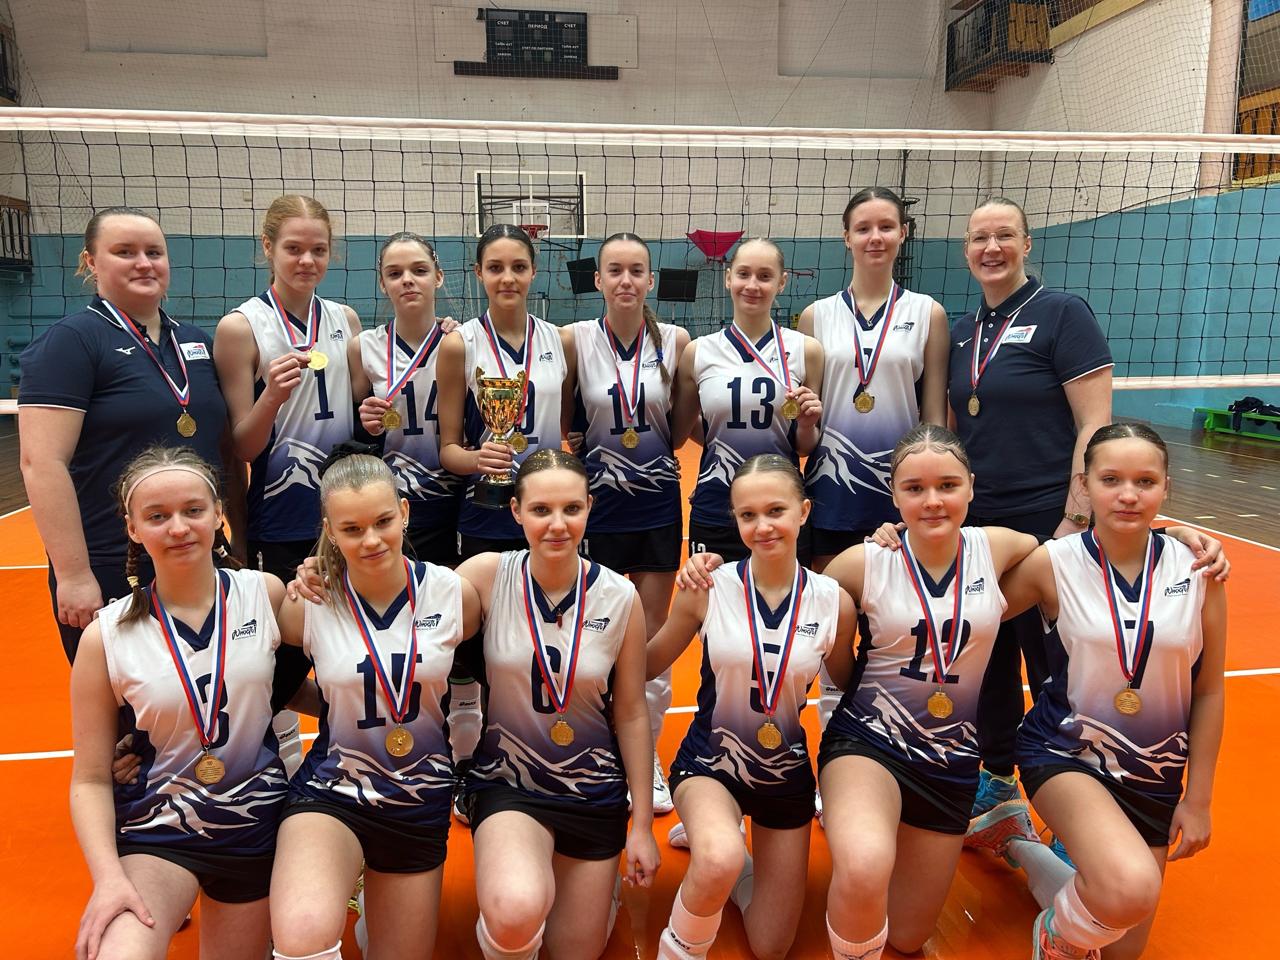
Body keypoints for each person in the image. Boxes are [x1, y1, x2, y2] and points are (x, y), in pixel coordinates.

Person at [965, 423, 1226, 960]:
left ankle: (1012, 839)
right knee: (1127, 888)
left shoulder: (1200, 570)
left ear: (1166, 487)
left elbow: (1208, 691)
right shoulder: (1054, 563)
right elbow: (964, 613)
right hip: (1065, 753)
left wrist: (1198, 800)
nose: (1128, 494)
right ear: (1083, 486)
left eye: (1145, 481)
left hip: (1155, 772)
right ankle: (1054, 936)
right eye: (1111, 480)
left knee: (1120, 944)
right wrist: (900, 543)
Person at [814, 425, 1039, 960]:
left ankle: (997, 835)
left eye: (948, 485)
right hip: (868, 743)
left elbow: (1081, 555)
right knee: (864, 866)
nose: (932, 500)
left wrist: (1179, 541)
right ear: (894, 496)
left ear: (971, 487)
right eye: (914, 488)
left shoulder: (1000, 546)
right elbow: (806, 621)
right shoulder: (862, 562)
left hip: (951, 761)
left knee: (908, 936)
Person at [69, 447, 287, 960]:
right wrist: (108, 878)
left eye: (193, 510)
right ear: (133, 529)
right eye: (157, 516)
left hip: (256, 826)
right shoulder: (106, 636)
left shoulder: (266, 595)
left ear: (218, 514)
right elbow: (90, 778)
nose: (179, 528)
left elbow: (333, 669)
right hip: (158, 831)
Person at [270, 449, 481, 960]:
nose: (370, 540)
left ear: (404, 512)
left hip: (418, 798)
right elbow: (269, 691)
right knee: (302, 933)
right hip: (334, 790)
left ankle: (371, 896)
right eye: (351, 528)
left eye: (383, 522)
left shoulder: (454, 595)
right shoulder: (308, 604)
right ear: (329, 530)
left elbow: (494, 677)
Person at [647, 454, 857, 960]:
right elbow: (648, 663)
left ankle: (725, 848)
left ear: (803, 511)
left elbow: (850, 690)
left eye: (775, 511)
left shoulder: (834, 602)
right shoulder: (707, 588)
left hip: (784, 775)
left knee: (771, 946)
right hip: (709, 766)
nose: (762, 526)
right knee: (716, 859)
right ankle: (682, 937)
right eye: (748, 515)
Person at [457, 450, 659, 960]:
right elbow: (405, 599)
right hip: (509, 781)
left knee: (575, 951)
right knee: (516, 910)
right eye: (541, 510)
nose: (557, 524)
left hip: (593, 789)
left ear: (589, 507)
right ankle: (515, 896)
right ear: (516, 512)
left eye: (571, 508)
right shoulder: (486, 575)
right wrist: (325, 572)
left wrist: (641, 826)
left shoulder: (620, 596)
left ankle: (588, 889)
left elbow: (631, 712)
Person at [948, 196, 1114, 818]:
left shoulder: (1062, 313)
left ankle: (1078, 802)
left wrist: (1075, 519)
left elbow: (1094, 425)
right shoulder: (963, 331)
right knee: (987, 657)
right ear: (966, 250)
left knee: (1058, 665)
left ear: (1026, 244)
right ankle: (997, 778)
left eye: (1004, 236)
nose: (991, 248)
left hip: (1049, 516)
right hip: (981, 526)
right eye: (979, 238)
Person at [19, 208, 228, 663]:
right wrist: (74, 574)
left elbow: (222, 450)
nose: (144, 263)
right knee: (121, 697)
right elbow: (41, 463)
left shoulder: (194, 341)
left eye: (154, 252)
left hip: (194, 554)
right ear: (91, 262)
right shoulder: (71, 341)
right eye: (125, 252)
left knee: (204, 689)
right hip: (112, 560)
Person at [214, 194, 361, 773]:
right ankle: (275, 761)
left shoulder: (345, 320)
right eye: (294, 248)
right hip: (279, 516)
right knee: (280, 652)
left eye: (318, 250)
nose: (307, 260)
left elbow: (358, 416)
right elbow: (241, 446)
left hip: (345, 515)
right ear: (268, 247)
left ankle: (349, 753)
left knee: (349, 644)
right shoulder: (240, 327)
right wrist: (271, 396)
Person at [570, 232, 690, 816]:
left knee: (650, 636)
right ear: (598, 280)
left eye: (636, 270)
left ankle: (649, 761)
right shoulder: (573, 340)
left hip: (658, 504)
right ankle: (594, 752)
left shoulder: (678, 342)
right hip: (597, 507)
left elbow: (683, 428)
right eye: (614, 270)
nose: (625, 280)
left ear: (650, 280)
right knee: (593, 632)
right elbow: (566, 424)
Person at [801, 187, 949, 570]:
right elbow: (807, 418)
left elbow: (934, 415)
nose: (875, 237)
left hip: (901, 485)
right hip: (832, 485)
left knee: (894, 598)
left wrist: (930, 486)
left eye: (886, 226)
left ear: (903, 233)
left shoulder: (928, 313)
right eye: (863, 228)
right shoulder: (815, 316)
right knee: (831, 595)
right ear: (847, 237)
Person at [672, 238, 824, 565]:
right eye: (743, 274)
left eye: (765, 276)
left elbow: (804, 447)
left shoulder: (806, 350)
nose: (752, 285)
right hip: (717, 504)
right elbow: (677, 434)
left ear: (781, 282)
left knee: (784, 597)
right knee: (711, 597)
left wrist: (807, 424)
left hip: (780, 505)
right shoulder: (698, 352)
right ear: (728, 278)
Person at [438, 224, 574, 558]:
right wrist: (477, 459)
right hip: (485, 511)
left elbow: (567, 428)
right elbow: (448, 451)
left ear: (533, 272)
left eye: (519, 267)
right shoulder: (459, 344)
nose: (508, 278)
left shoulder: (562, 341)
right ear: (479, 273)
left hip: (547, 511)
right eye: (495, 268)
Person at [351, 231, 463, 566]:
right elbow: (357, 435)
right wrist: (366, 423)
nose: (408, 280)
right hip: (394, 503)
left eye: (419, 270)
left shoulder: (464, 341)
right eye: (395, 273)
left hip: (457, 499)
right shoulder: (362, 347)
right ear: (383, 284)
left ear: (438, 277)